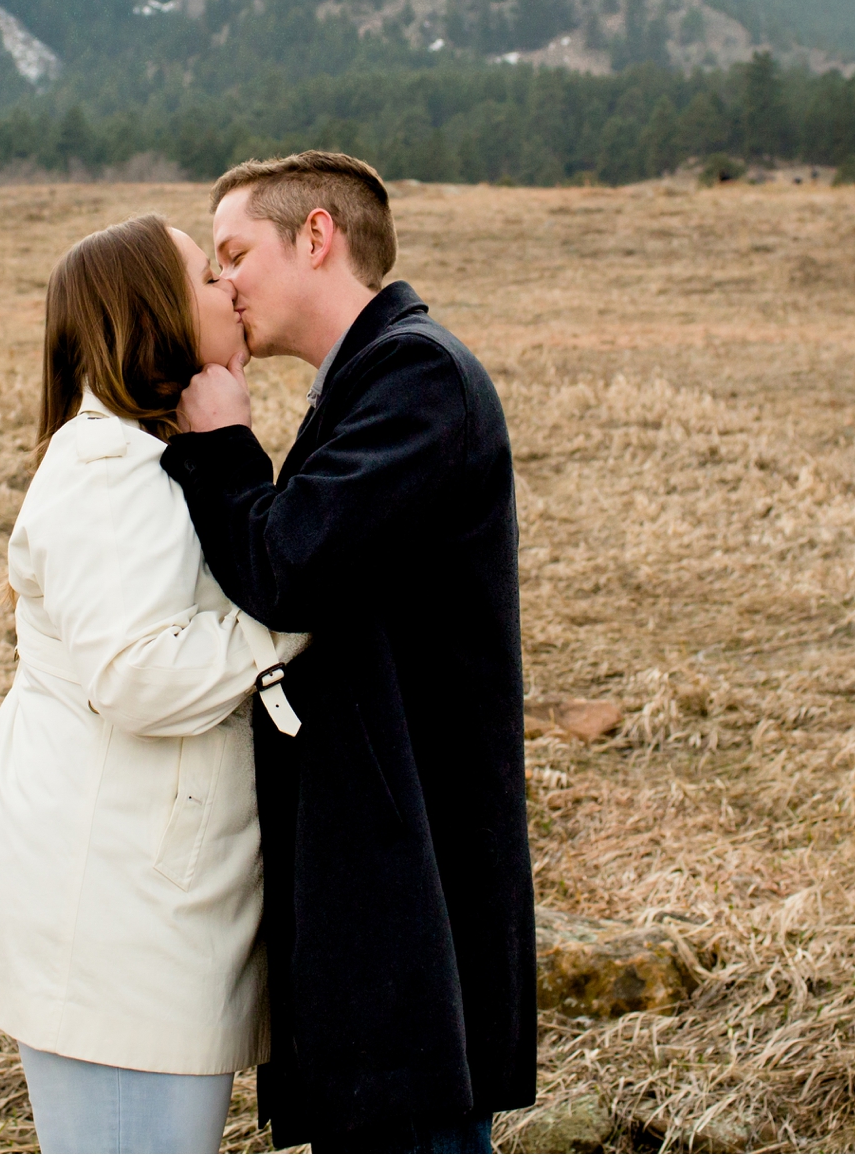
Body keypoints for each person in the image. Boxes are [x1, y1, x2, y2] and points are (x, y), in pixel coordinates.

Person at [161, 152, 535, 1154]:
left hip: (416, 899)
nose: (223, 282)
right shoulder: (372, 380)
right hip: (386, 885)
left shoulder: (417, 378)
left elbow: (290, 565)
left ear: (316, 236)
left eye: (234, 252)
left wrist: (223, 448)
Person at [0, 213, 309, 1155]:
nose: (229, 288)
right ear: (155, 314)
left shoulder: (149, 461)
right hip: (111, 930)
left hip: (144, 915)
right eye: (204, 276)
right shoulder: (112, 472)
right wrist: (294, 612)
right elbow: (138, 674)